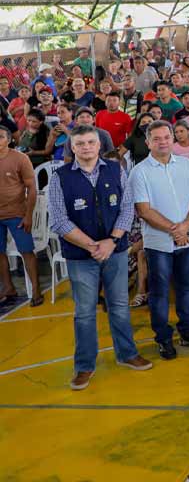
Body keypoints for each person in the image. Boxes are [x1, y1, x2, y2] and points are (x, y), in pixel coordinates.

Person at [49, 125, 152, 389]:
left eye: (90, 142)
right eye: (80, 143)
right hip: (80, 255)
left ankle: (127, 354)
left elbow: (127, 209)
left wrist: (112, 241)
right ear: (72, 147)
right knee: (84, 312)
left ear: (99, 145)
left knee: (119, 305)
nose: (86, 147)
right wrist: (92, 245)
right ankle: (84, 366)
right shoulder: (60, 177)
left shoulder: (116, 169)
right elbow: (59, 220)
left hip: (115, 250)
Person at [129, 120, 189, 359]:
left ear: (173, 139)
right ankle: (164, 339)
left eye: (166, 137)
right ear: (148, 142)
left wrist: (187, 225)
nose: (163, 142)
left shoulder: (185, 165)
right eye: (156, 138)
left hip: (187, 239)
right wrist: (175, 230)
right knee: (160, 292)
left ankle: (188, 332)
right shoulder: (139, 172)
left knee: (186, 287)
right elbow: (144, 210)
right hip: (158, 243)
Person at [0, 127, 41, 306]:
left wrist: (28, 215)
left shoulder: (20, 158)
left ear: (9, 140)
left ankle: (36, 290)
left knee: (26, 251)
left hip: (17, 213)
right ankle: (8, 288)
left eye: (0, 137)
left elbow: (32, 188)